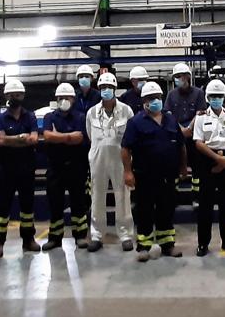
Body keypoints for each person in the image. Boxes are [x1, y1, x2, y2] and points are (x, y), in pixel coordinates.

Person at [122, 82, 190, 262]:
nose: (155, 101)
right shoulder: (135, 122)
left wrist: (183, 166)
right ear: (144, 101)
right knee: (144, 211)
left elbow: (181, 145)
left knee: (166, 210)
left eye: (158, 98)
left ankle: (167, 244)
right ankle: (144, 246)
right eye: (151, 99)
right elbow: (125, 149)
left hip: (168, 176)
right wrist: (128, 172)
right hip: (144, 176)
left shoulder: (170, 120)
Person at [85, 73, 135, 252]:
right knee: (97, 196)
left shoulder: (126, 111)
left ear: (115, 89)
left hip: (119, 159)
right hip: (98, 158)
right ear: (99, 90)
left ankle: (125, 234)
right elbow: (91, 136)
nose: (106, 91)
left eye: (109, 88)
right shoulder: (91, 112)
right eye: (103, 88)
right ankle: (97, 234)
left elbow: (130, 137)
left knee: (122, 195)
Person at [193, 79, 225, 256]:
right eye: (213, 96)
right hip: (207, 161)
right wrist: (217, 159)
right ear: (207, 97)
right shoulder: (200, 117)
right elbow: (198, 142)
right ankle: (203, 244)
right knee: (205, 206)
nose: (216, 99)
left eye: (219, 96)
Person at [0, 79, 40, 257]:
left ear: (23, 96)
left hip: (27, 169)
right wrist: (21, 138)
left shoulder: (30, 116)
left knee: (27, 208)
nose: (15, 98)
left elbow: (34, 138)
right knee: (2, 209)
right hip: (6, 170)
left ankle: (28, 240)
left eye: (18, 94)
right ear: (6, 96)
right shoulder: (0, 119)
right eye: (11, 95)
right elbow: (1, 140)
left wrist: (13, 140)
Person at [41, 82, 91, 250]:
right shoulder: (49, 117)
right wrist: (68, 137)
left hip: (77, 167)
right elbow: (47, 136)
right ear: (56, 99)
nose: (64, 100)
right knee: (55, 205)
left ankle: (81, 236)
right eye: (61, 97)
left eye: (67, 97)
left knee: (79, 203)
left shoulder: (81, 117)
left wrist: (58, 136)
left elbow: (80, 138)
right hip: (55, 167)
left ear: (73, 99)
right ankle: (55, 238)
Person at [167, 62, 206, 204]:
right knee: (174, 166)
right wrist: (180, 130)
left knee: (197, 167)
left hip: (194, 135)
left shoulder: (199, 93)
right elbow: (169, 115)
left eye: (180, 76)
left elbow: (200, 113)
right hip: (177, 135)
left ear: (188, 77)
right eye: (176, 76)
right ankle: (173, 197)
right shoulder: (171, 95)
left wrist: (189, 128)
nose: (178, 79)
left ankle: (196, 197)